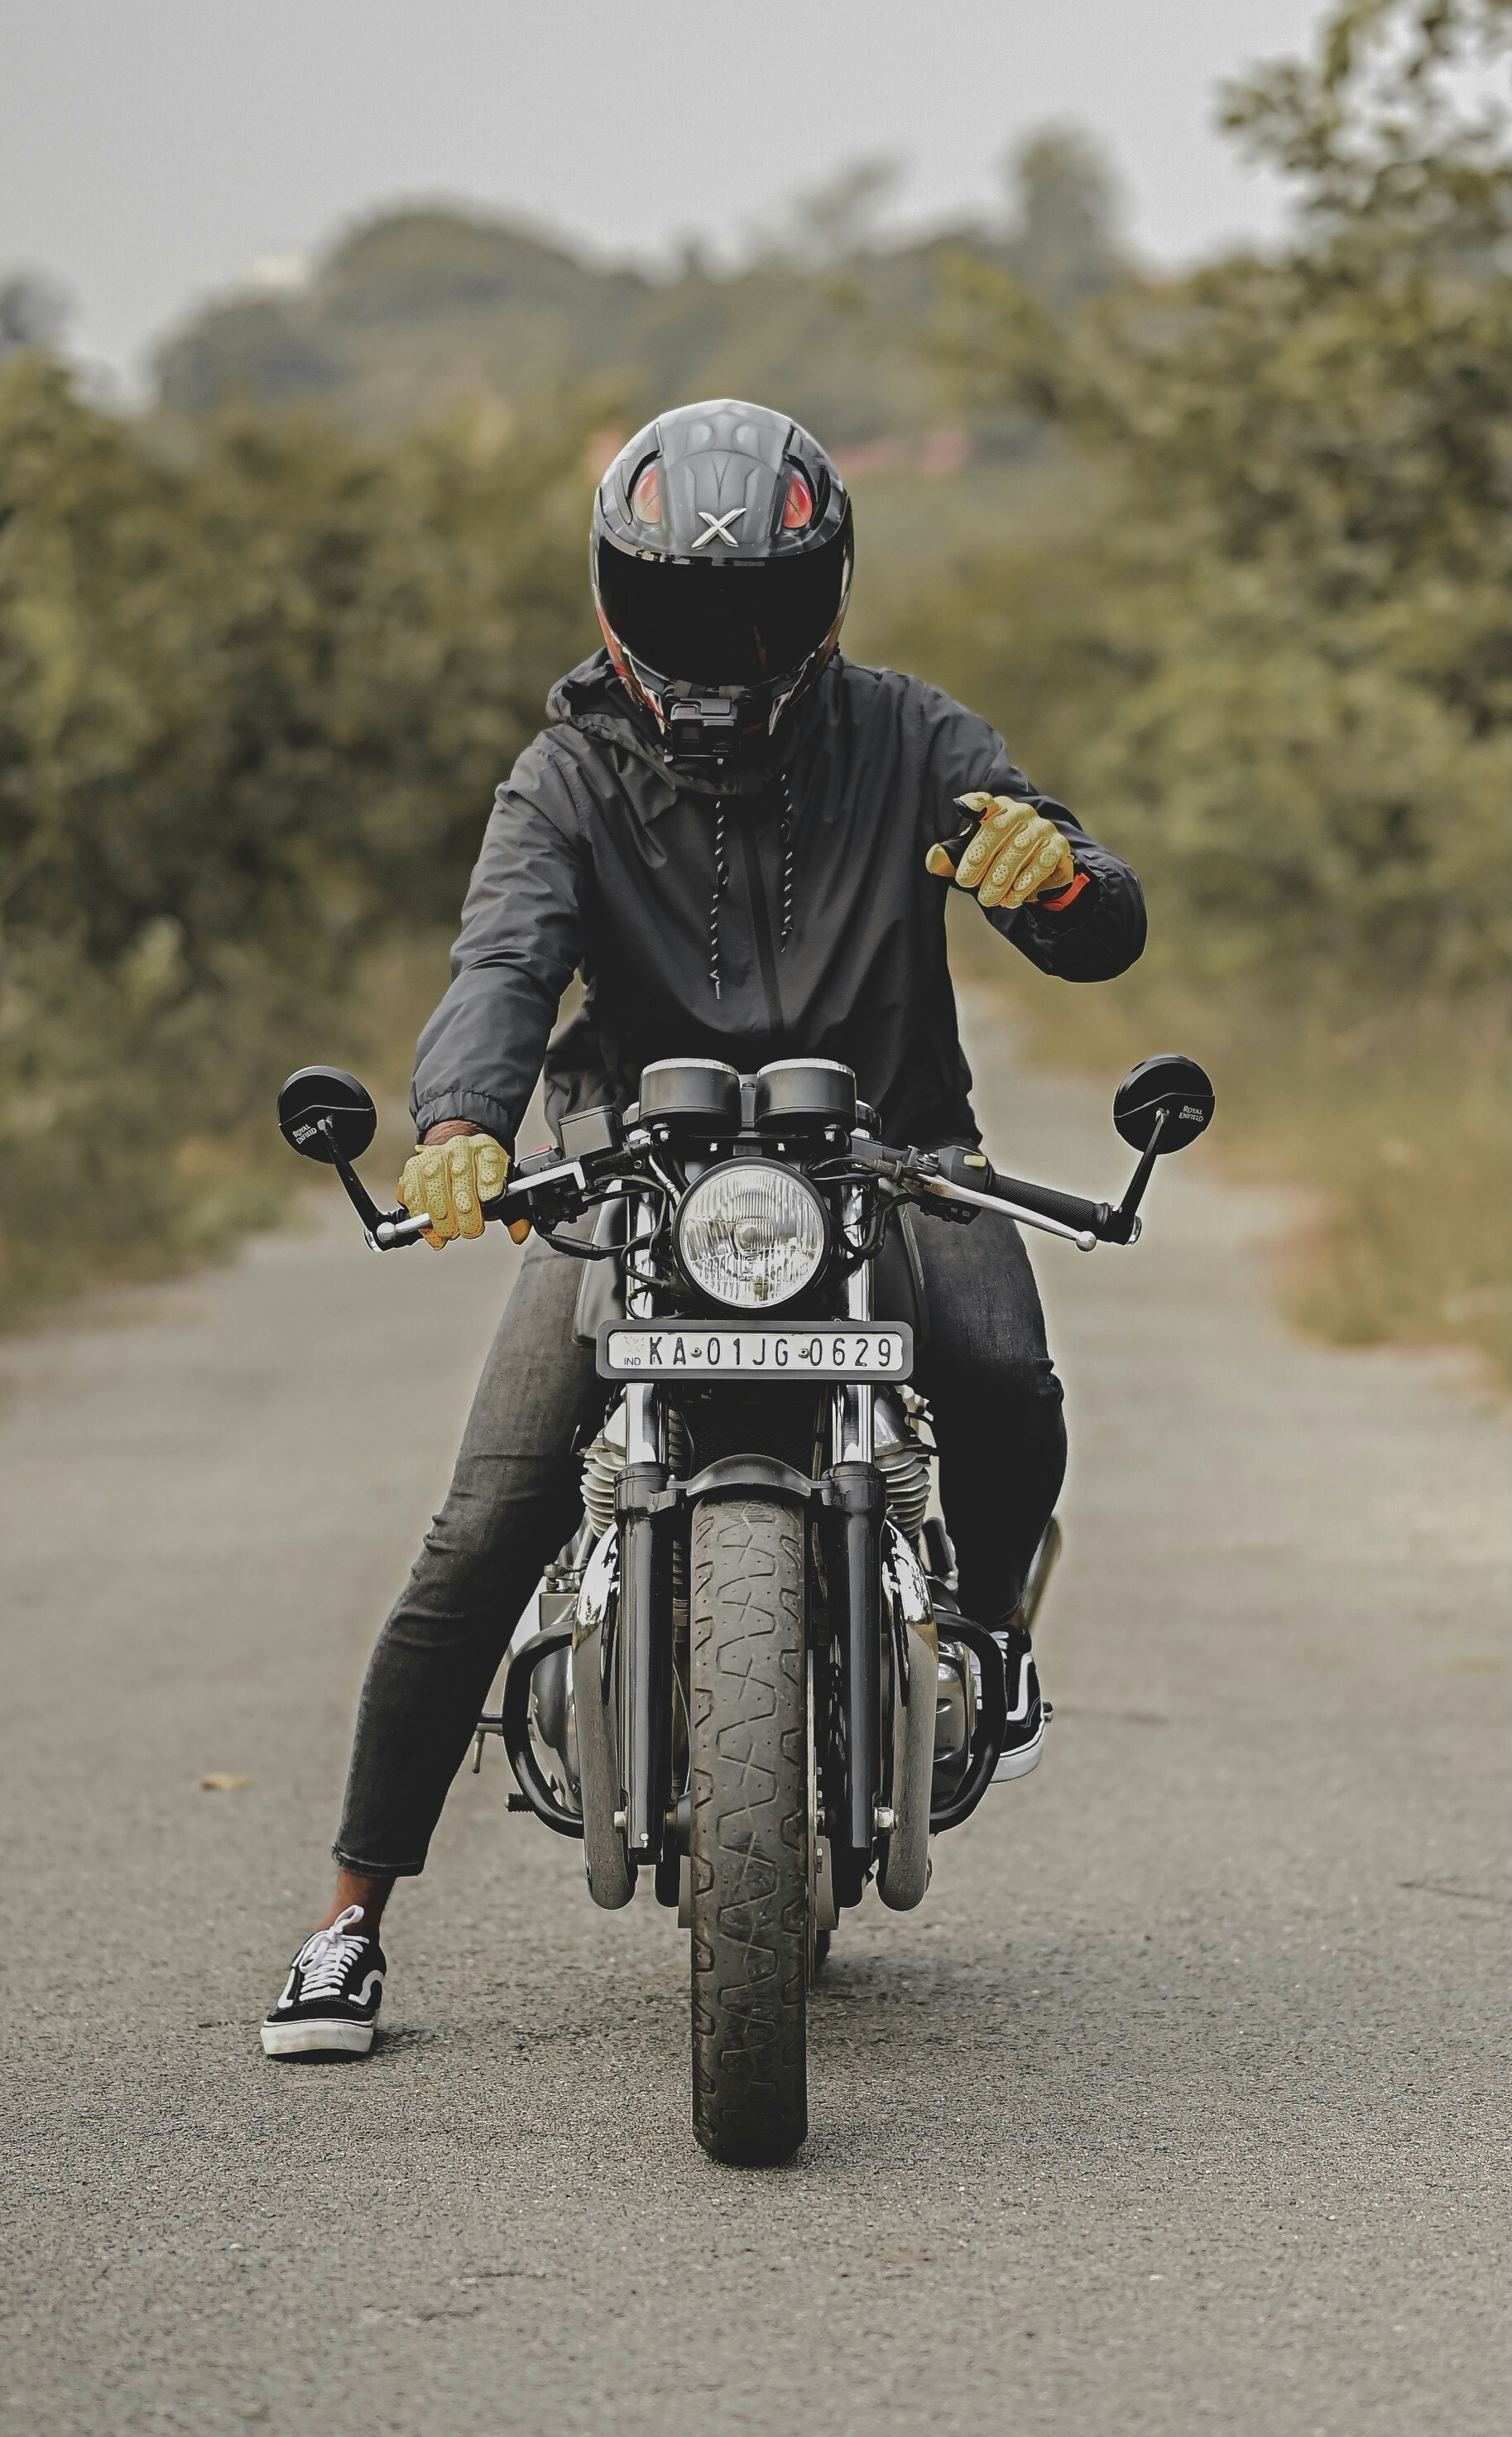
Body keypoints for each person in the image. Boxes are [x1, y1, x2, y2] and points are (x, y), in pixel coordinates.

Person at [261, 399, 1146, 2059]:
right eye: (677, 609)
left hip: (890, 1149)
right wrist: (461, 1117)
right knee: (482, 1525)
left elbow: (1089, 920)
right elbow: (502, 961)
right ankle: (345, 1921)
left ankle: (997, 1641)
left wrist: (1058, 883)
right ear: (613, 595)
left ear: (823, 597)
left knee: (1004, 1371)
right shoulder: (565, 774)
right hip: (630, 1170)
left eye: (752, 609)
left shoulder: (906, 732)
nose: (717, 645)